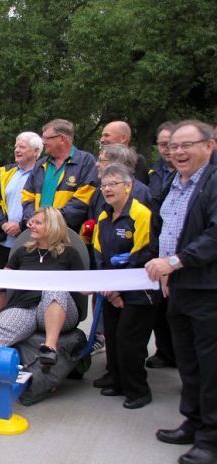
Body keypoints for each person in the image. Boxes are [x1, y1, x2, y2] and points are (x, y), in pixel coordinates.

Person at [145, 120, 217, 464]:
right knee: (187, 363)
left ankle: (211, 439)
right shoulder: (175, 182)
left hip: (207, 289)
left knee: (210, 366)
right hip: (177, 287)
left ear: (210, 145)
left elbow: (214, 237)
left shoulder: (213, 183)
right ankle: (194, 420)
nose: (179, 152)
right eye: (174, 147)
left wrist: (173, 262)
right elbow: (163, 229)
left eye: (187, 145)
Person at [0, 207, 85, 388]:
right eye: (31, 222)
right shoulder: (22, 252)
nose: (31, 226)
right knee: (6, 324)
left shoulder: (69, 254)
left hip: (59, 310)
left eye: (38, 223)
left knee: (54, 289)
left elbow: (85, 288)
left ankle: (49, 349)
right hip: (26, 308)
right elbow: (2, 282)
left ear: (53, 226)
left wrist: (105, 286)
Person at [92, 164, 159, 409]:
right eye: (104, 185)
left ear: (128, 186)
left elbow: (142, 253)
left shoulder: (142, 214)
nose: (107, 189)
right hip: (111, 290)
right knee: (113, 337)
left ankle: (138, 390)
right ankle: (118, 381)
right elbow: (99, 254)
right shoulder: (103, 216)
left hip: (139, 292)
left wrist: (120, 289)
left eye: (113, 184)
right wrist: (110, 289)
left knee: (129, 341)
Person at [0, 131, 40, 311]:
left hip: (31, 240)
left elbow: (43, 206)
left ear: (36, 151)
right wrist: (2, 224)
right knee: (2, 287)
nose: (17, 150)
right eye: (16, 146)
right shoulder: (6, 173)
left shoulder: (43, 174)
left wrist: (21, 226)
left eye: (22, 147)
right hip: (5, 240)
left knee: (27, 288)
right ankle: (1, 327)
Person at [21, 119, 97, 232]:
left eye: (47, 138)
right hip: (38, 234)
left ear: (62, 138)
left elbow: (83, 200)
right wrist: (33, 219)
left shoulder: (85, 161)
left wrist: (50, 221)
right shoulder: (41, 164)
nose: (43, 142)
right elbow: (27, 195)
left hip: (68, 235)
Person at [145, 121, 177, 370]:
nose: (167, 150)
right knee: (160, 306)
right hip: (157, 245)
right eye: (163, 145)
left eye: (171, 145)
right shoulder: (154, 172)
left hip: (181, 255)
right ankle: (165, 352)